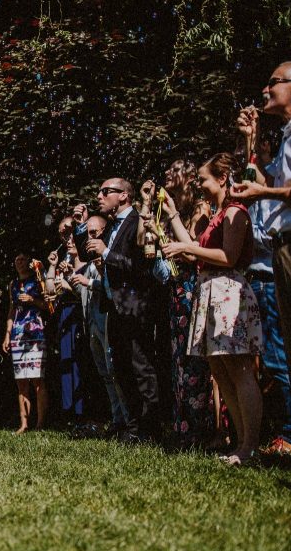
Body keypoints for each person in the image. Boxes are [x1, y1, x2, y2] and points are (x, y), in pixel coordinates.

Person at [232, 60, 291, 461]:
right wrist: (252, 141)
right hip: (288, 246)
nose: (265, 89)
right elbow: (267, 183)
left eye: (273, 82)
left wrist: (266, 195)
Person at [163, 153, 264, 465]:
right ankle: (239, 443)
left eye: (204, 180)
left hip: (228, 290)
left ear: (222, 179)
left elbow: (229, 256)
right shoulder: (218, 214)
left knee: (239, 369)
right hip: (209, 289)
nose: (199, 186)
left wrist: (188, 247)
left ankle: (249, 446)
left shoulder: (235, 211)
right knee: (220, 371)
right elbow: (196, 254)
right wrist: (172, 216)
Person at [75, 178, 163, 443]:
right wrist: (82, 223)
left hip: (135, 307)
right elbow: (83, 252)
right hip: (113, 307)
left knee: (142, 369)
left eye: (105, 191)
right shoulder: (111, 226)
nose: (99, 195)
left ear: (124, 196)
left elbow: (142, 267)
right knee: (121, 370)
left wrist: (107, 254)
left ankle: (151, 431)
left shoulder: (138, 221)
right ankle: (132, 429)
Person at [151, 163, 217, 449]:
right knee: (180, 361)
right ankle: (184, 429)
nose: (167, 175)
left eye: (173, 171)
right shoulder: (167, 211)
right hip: (176, 290)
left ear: (188, 178)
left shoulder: (200, 207)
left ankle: (200, 431)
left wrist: (173, 215)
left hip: (193, 287)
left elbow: (192, 252)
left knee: (195, 360)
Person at [69, 212, 128, 437]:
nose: (90, 238)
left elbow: (114, 287)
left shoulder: (108, 256)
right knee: (104, 373)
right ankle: (117, 418)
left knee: (114, 370)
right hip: (92, 321)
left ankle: (126, 420)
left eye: (94, 233)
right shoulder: (89, 260)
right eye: (88, 233)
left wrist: (89, 282)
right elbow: (82, 291)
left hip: (106, 320)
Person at [46, 219, 87, 424]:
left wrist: (67, 283)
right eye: (63, 235)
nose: (67, 238)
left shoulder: (85, 256)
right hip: (65, 312)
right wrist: (52, 268)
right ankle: (68, 413)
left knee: (80, 362)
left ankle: (82, 414)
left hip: (81, 312)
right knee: (66, 363)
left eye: (70, 233)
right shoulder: (63, 258)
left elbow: (86, 289)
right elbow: (50, 290)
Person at [3, 252, 48, 433]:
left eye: (22, 259)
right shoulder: (13, 285)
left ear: (29, 262)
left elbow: (48, 305)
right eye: (16, 260)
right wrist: (7, 335)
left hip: (36, 332)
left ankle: (40, 424)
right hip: (18, 335)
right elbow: (11, 311)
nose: (19, 262)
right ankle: (24, 424)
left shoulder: (37, 281)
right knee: (21, 382)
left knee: (37, 379)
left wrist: (32, 300)